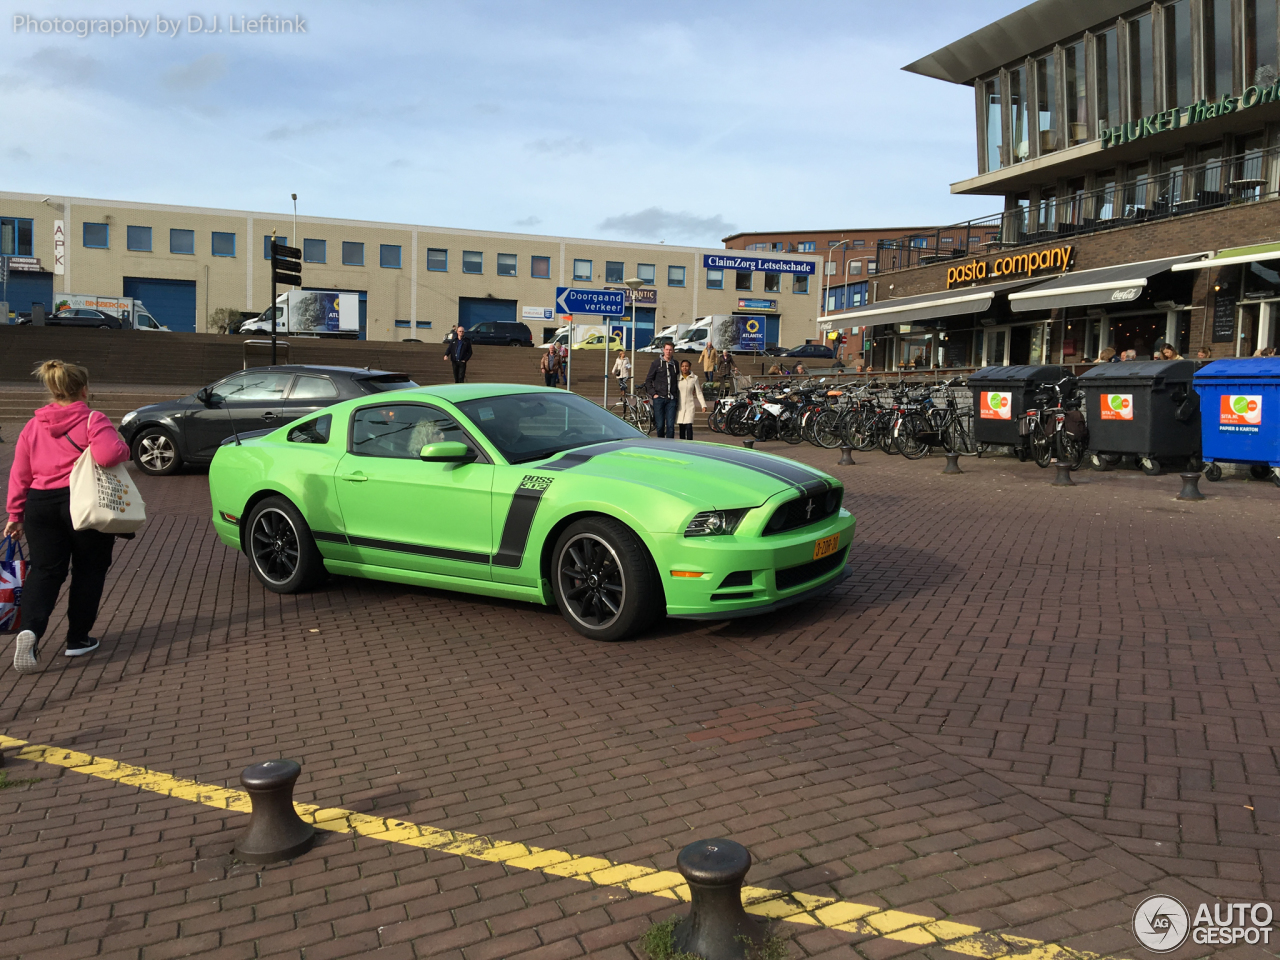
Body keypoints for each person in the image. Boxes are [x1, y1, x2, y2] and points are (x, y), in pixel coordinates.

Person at [6, 360, 131, 673]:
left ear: (52, 389)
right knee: (89, 570)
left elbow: (20, 472)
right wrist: (123, 447)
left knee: (45, 570)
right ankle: (78, 639)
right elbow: (108, 455)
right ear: (84, 389)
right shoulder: (92, 419)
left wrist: (14, 514)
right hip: (84, 503)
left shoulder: (33, 426)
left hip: (39, 504)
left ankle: (31, 631)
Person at [644, 343, 680, 439]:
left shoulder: (675, 364)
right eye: (667, 349)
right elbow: (648, 380)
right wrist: (653, 394)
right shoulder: (656, 363)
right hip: (659, 398)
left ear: (673, 351)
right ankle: (661, 444)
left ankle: (670, 447)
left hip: (671, 399)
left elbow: (678, 378)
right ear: (663, 350)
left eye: (670, 350)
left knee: (670, 426)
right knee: (660, 426)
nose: (668, 351)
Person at [675, 360, 706, 440]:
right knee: (681, 427)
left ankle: (690, 444)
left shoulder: (694, 378)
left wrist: (703, 405)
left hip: (689, 405)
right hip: (680, 406)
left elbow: (698, 392)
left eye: (686, 366)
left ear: (690, 367)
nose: (684, 368)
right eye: (682, 366)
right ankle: (682, 446)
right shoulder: (677, 377)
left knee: (689, 426)